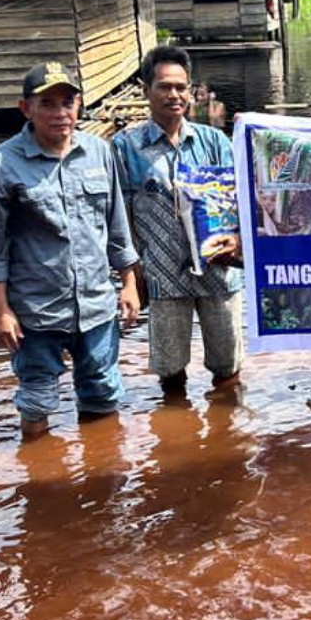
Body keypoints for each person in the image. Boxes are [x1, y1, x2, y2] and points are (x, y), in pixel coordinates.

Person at [0, 61, 140, 440]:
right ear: (26, 109)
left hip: (97, 305)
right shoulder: (2, 164)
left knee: (102, 391)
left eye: (67, 102)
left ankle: (102, 481)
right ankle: (40, 483)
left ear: (79, 105)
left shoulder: (99, 152)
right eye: (47, 103)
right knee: (37, 400)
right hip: (36, 311)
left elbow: (117, 225)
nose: (60, 113)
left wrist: (130, 283)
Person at [112, 45, 243, 395]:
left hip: (219, 270)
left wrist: (238, 246)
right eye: (164, 86)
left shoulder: (214, 142)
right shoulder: (125, 148)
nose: (174, 95)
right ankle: (175, 436)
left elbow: (238, 203)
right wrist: (131, 273)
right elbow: (119, 219)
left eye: (181, 87)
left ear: (190, 90)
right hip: (163, 275)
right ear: (146, 90)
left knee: (228, 369)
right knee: (170, 374)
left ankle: (226, 439)